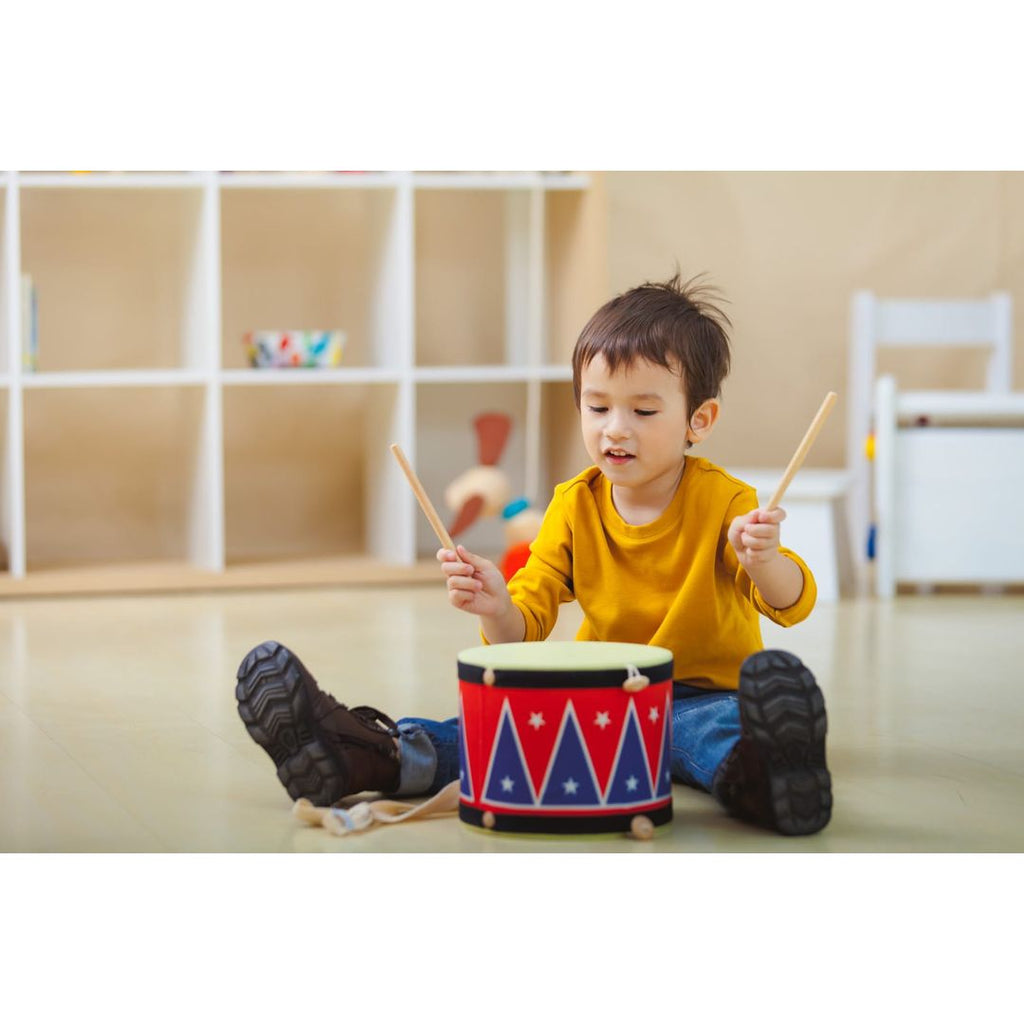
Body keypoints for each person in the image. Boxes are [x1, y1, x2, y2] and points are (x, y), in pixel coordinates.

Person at [235, 273, 832, 836]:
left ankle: (769, 774)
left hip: (702, 694)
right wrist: (496, 604)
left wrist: (763, 561)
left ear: (698, 420)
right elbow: (524, 631)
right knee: (500, 729)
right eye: (597, 408)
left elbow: (791, 603)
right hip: (605, 694)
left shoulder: (728, 500)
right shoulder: (573, 505)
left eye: (643, 411)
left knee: (709, 732)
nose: (614, 429)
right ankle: (365, 756)